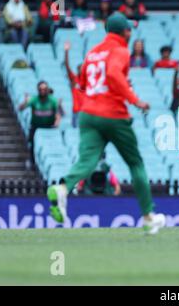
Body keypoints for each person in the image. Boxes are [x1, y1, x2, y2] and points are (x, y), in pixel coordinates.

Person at [46, 12, 165, 235]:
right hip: (113, 114)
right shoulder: (121, 50)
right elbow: (112, 73)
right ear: (124, 31)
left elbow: (82, 83)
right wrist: (134, 99)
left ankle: (63, 188)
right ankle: (149, 217)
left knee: (87, 161)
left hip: (87, 114)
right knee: (136, 164)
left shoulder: (92, 53)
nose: (131, 32)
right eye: (129, 29)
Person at [18, 81, 61, 163]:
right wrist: (25, 101)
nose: (42, 91)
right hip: (36, 126)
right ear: (38, 90)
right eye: (40, 89)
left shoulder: (53, 101)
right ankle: (32, 161)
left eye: (44, 89)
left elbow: (58, 114)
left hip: (49, 127)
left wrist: (57, 122)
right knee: (31, 144)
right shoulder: (34, 100)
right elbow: (20, 108)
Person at [64, 41, 84, 128]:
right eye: (80, 69)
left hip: (86, 112)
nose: (82, 70)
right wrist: (66, 51)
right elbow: (67, 66)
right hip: (76, 111)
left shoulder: (90, 81)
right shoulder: (74, 79)